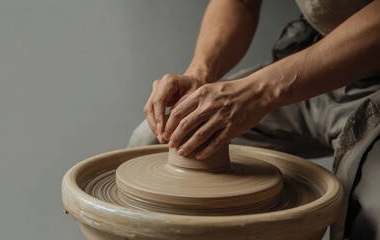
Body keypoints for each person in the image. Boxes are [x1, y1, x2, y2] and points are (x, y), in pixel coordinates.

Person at [128, 1, 380, 239]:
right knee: (153, 141)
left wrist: (259, 92)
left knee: (373, 206)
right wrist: (199, 74)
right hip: (312, 61)